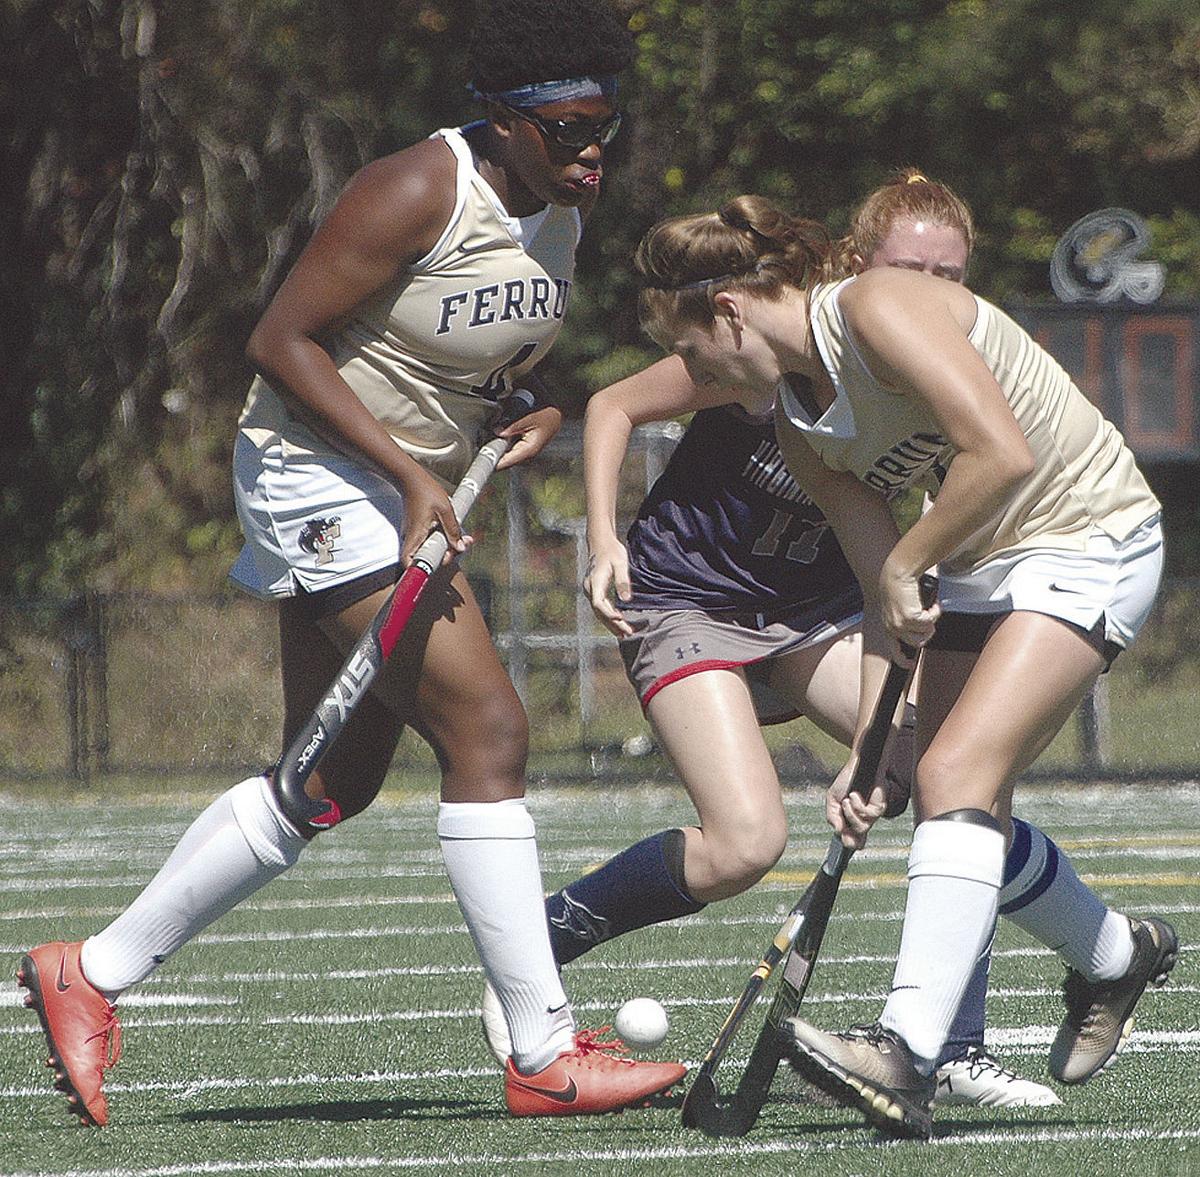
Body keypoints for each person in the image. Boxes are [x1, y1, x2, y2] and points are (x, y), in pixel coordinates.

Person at [16, 0, 684, 1128]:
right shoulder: (418, 186)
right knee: (490, 733)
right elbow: (281, 340)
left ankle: (90, 973)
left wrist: (525, 407)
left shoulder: (559, 214)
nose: (588, 152)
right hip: (319, 475)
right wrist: (413, 474)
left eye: (601, 127)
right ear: (503, 122)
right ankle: (542, 1050)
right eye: (564, 129)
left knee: (329, 782)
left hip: (404, 480)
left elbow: (461, 357)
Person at [481, 173, 1059, 1108]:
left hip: (812, 608)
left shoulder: (943, 373)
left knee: (951, 765)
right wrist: (603, 539)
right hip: (690, 599)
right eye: (912, 270)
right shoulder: (750, 350)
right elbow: (611, 407)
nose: (934, 294)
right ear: (862, 271)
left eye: (952, 276)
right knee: (744, 843)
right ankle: (534, 949)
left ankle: (950, 1042)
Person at [626, 193, 1178, 1139]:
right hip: (979, 562)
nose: (691, 375)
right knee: (936, 780)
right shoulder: (802, 431)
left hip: (1090, 535)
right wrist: (868, 745)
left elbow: (998, 454)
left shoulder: (876, 306)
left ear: (725, 313)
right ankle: (1120, 952)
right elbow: (889, 598)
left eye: (687, 351)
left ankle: (908, 1054)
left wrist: (905, 558)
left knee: (961, 775)